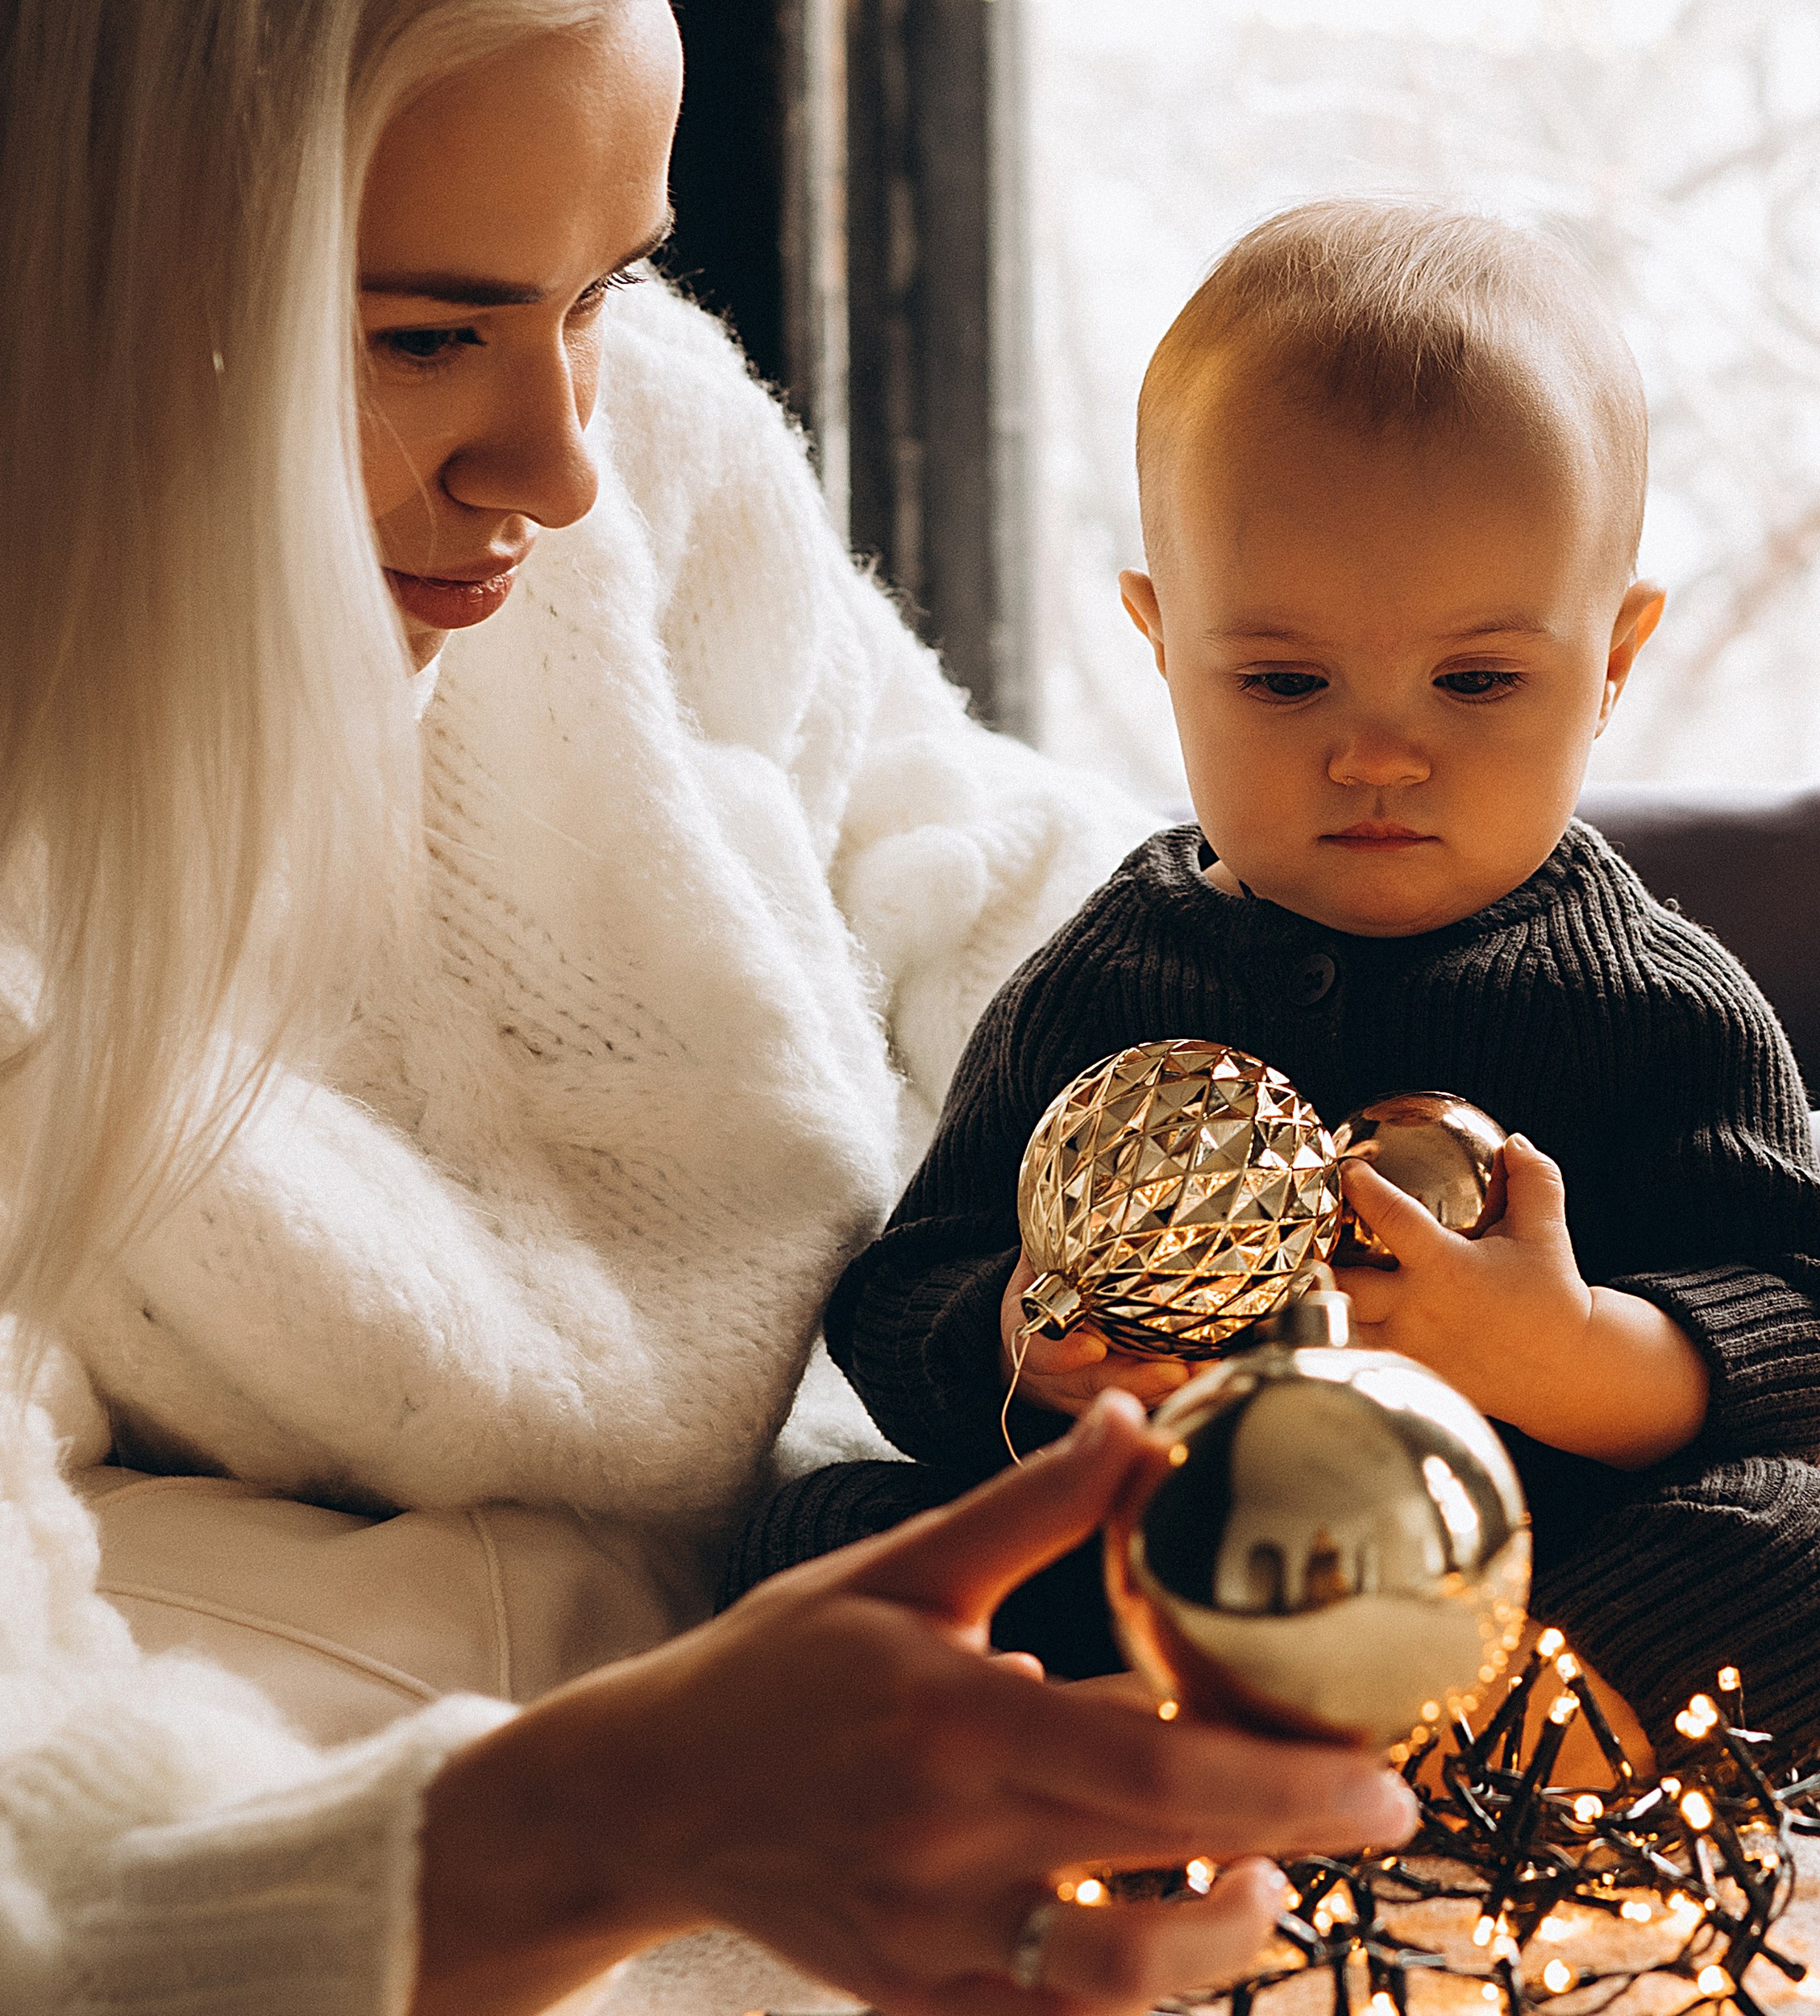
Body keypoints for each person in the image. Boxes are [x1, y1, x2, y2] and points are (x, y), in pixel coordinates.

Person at [0, 0, 1415, 2016]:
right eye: (425, 334)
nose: (558, 456)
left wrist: (1272, 1161)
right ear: (60, 283)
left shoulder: (624, 448)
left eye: (604, 283)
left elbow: (951, 845)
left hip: (839, 1527)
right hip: (491, 1738)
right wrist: (585, 1820)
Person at [736, 205, 1820, 1751]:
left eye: (1480, 680)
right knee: (816, 1536)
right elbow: (909, 1278)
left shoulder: (1660, 1007)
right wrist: (1028, 1348)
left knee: (1793, 1539)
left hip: (1541, 1588)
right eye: (1285, 679)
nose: (1378, 750)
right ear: (1162, 642)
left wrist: (1571, 1356)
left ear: (1616, 664)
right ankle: (1147, 1725)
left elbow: (1798, 1331)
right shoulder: (1113, 978)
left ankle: (1469, 1751)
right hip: (1175, 1557)